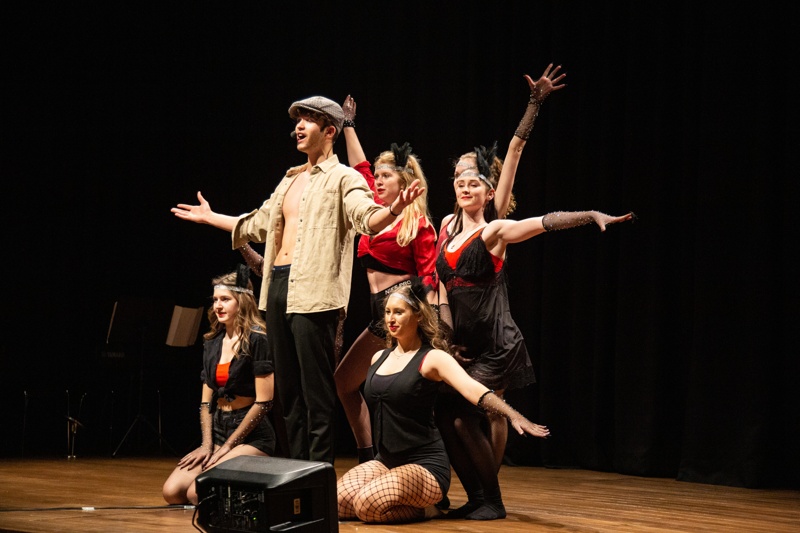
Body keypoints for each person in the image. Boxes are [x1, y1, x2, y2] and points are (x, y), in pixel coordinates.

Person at [172, 96, 423, 464]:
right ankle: (295, 473)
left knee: (315, 393)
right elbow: (256, 224)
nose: (299, 127)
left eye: (308, 120)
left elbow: (366, 218)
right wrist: (211, 218)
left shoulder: (345, 178)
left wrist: (394, 209)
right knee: (288, 394)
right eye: (297, 120)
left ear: (330, 130)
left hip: (315, 292)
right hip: (276, 286)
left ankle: (317, 476)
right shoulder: (289, 179)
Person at [436, 140, 635, 519]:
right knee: (445, 415)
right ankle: (477, 497)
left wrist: (590, 215)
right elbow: (441, 289)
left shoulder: (495, 231)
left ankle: (492, 500)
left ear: (489, 193)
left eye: (474, 183)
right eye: (460, 182)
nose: (465, 188)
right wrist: (446, 339)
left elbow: (543, 222)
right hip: (465, 343)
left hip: (497, 343)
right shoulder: (446, 227)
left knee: (464, 415)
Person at [337, 280, 549, 524]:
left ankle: (428, 509)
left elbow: (472, 388)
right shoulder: (378, 357)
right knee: (340, 503)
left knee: (367, 507)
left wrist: (513, 415)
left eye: (399, 312)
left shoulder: (433, 358)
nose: (391, 319)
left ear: (418, 315)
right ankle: (393, 495)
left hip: (425, 466)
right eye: (387, 312)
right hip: (386, 461)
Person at [335, 96, 438, 464]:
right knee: (345, 383)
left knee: (392, 393)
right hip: (377, 312)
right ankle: (369, 456)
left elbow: (429, 278)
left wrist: (436, 329)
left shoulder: (418, 224)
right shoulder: (375, 212)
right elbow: (359, 167)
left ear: (405, 181)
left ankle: (403, 459)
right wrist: (348, 125)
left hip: (403, 311)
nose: (377, 181)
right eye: (376, 177)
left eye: (386, 176)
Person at [162, 265, 276, 505]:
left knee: (196, 493)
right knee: (172, 492)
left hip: (251, 435)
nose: (218, 306)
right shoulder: (212, 342)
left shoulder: (258, 339)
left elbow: (264, 403)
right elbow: (205, 404)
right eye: (215, 300)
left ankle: (252, 479)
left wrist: (228, 447)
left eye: (225, 299)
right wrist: (207, 445)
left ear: (242, 301)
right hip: (219, 429)